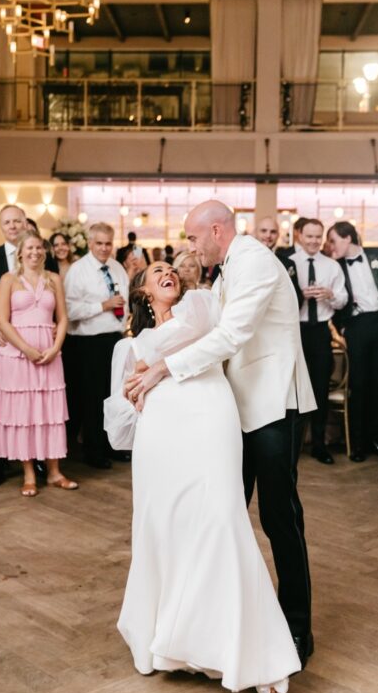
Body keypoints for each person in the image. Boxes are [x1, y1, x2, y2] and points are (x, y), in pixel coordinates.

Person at [125, 201, 317, 669]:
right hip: (236, 410)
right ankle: (219, 626)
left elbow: (231, 335)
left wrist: (164, 369)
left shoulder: (253, 261)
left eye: (192, 239)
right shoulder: (230, 267)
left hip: (272, 405)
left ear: (215, 230)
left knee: (278, 517)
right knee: (222, 515)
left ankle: (295, 628)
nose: (190, 248)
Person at [105, 264, 300, 693]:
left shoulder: (203, 305)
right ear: (141, 290)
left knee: (221, 517)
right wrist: (135, 390)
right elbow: (122, 414)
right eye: (157, 271)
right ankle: (168, 639)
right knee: (164, 524)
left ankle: (253, 655)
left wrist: (158, 368)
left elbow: (219, 341)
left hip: (211, 416)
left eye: (172, 268)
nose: (168, 272)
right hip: (161, 434)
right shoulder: (131, 346)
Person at [0, 204, 57, 487]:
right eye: (7, 222)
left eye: (18, 220)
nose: (13, 226)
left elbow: (52, 302)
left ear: (26, 223)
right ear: (1, 226)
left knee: (38, 406)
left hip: (39, 344)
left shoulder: (44, 259)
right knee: (0, 408)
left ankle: (41, 460)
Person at [0, 230, 75, 496]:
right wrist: (26, 349)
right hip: (17, 355)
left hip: (49, 354)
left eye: (39, 248)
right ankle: (28, 474)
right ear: (20, 252)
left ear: (45, 251)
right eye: (29, 248)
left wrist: (55, 347)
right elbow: (2, 319)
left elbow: (62, 318)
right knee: (23, 414)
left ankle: (54, 472)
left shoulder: (53, 279)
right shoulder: (8, 279)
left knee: (50, 413)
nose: (35, 252)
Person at [328, 221, 378, 462]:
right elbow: (333, 301)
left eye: (334, 240)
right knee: (358, 384)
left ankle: (373, 439)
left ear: (347, 238)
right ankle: (357, 444)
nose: (331, 246)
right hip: (357, 326)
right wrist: (344, 329)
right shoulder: (334, 267)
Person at [63, 222, 128, 469]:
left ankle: (113, 445)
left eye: (108, 243)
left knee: (114, 395)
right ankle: (93, 449)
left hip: (115, 338)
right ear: (90, 243)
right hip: (88, 342)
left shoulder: (117, 267)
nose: (104, 248)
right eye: (99, 243)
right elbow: (69, 309)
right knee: (93, 399)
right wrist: (103, 305)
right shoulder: (78, 270)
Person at [288, 219, 347, 464]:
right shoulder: (289, 263)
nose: (313, 241)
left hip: (321, 331)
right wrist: (299, 296)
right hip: (294, 331)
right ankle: (293, 444)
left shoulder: (332, 266)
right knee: (292, 388)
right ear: (300, 235)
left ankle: (319, 444)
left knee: (320, 387)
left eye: (318, 237)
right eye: (309, 236)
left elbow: (343, 300)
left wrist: (331, 295)